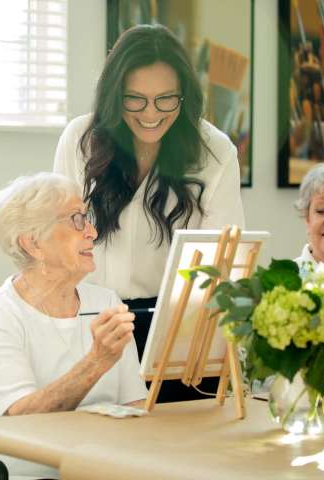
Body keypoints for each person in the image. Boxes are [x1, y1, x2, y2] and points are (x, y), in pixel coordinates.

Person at [53, 24, 245, 402]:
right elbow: (59, 243)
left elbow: (223, 262)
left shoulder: (214, 152)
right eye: (135, 100)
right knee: (94, 451)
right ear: (114, 96)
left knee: (175, 450)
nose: (151, 114)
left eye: (165, 99)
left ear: (184, 96)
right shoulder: (81, 140)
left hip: (175, 332)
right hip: (92, 326)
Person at [0, 173, 147, 480]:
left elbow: (134, 405)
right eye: (77, 219)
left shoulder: (106, 302)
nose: (93, 231)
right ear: (33, 243)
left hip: (97, 471)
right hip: (19, 474)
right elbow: (23, 420)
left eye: (87, 218)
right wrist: (97, 361)